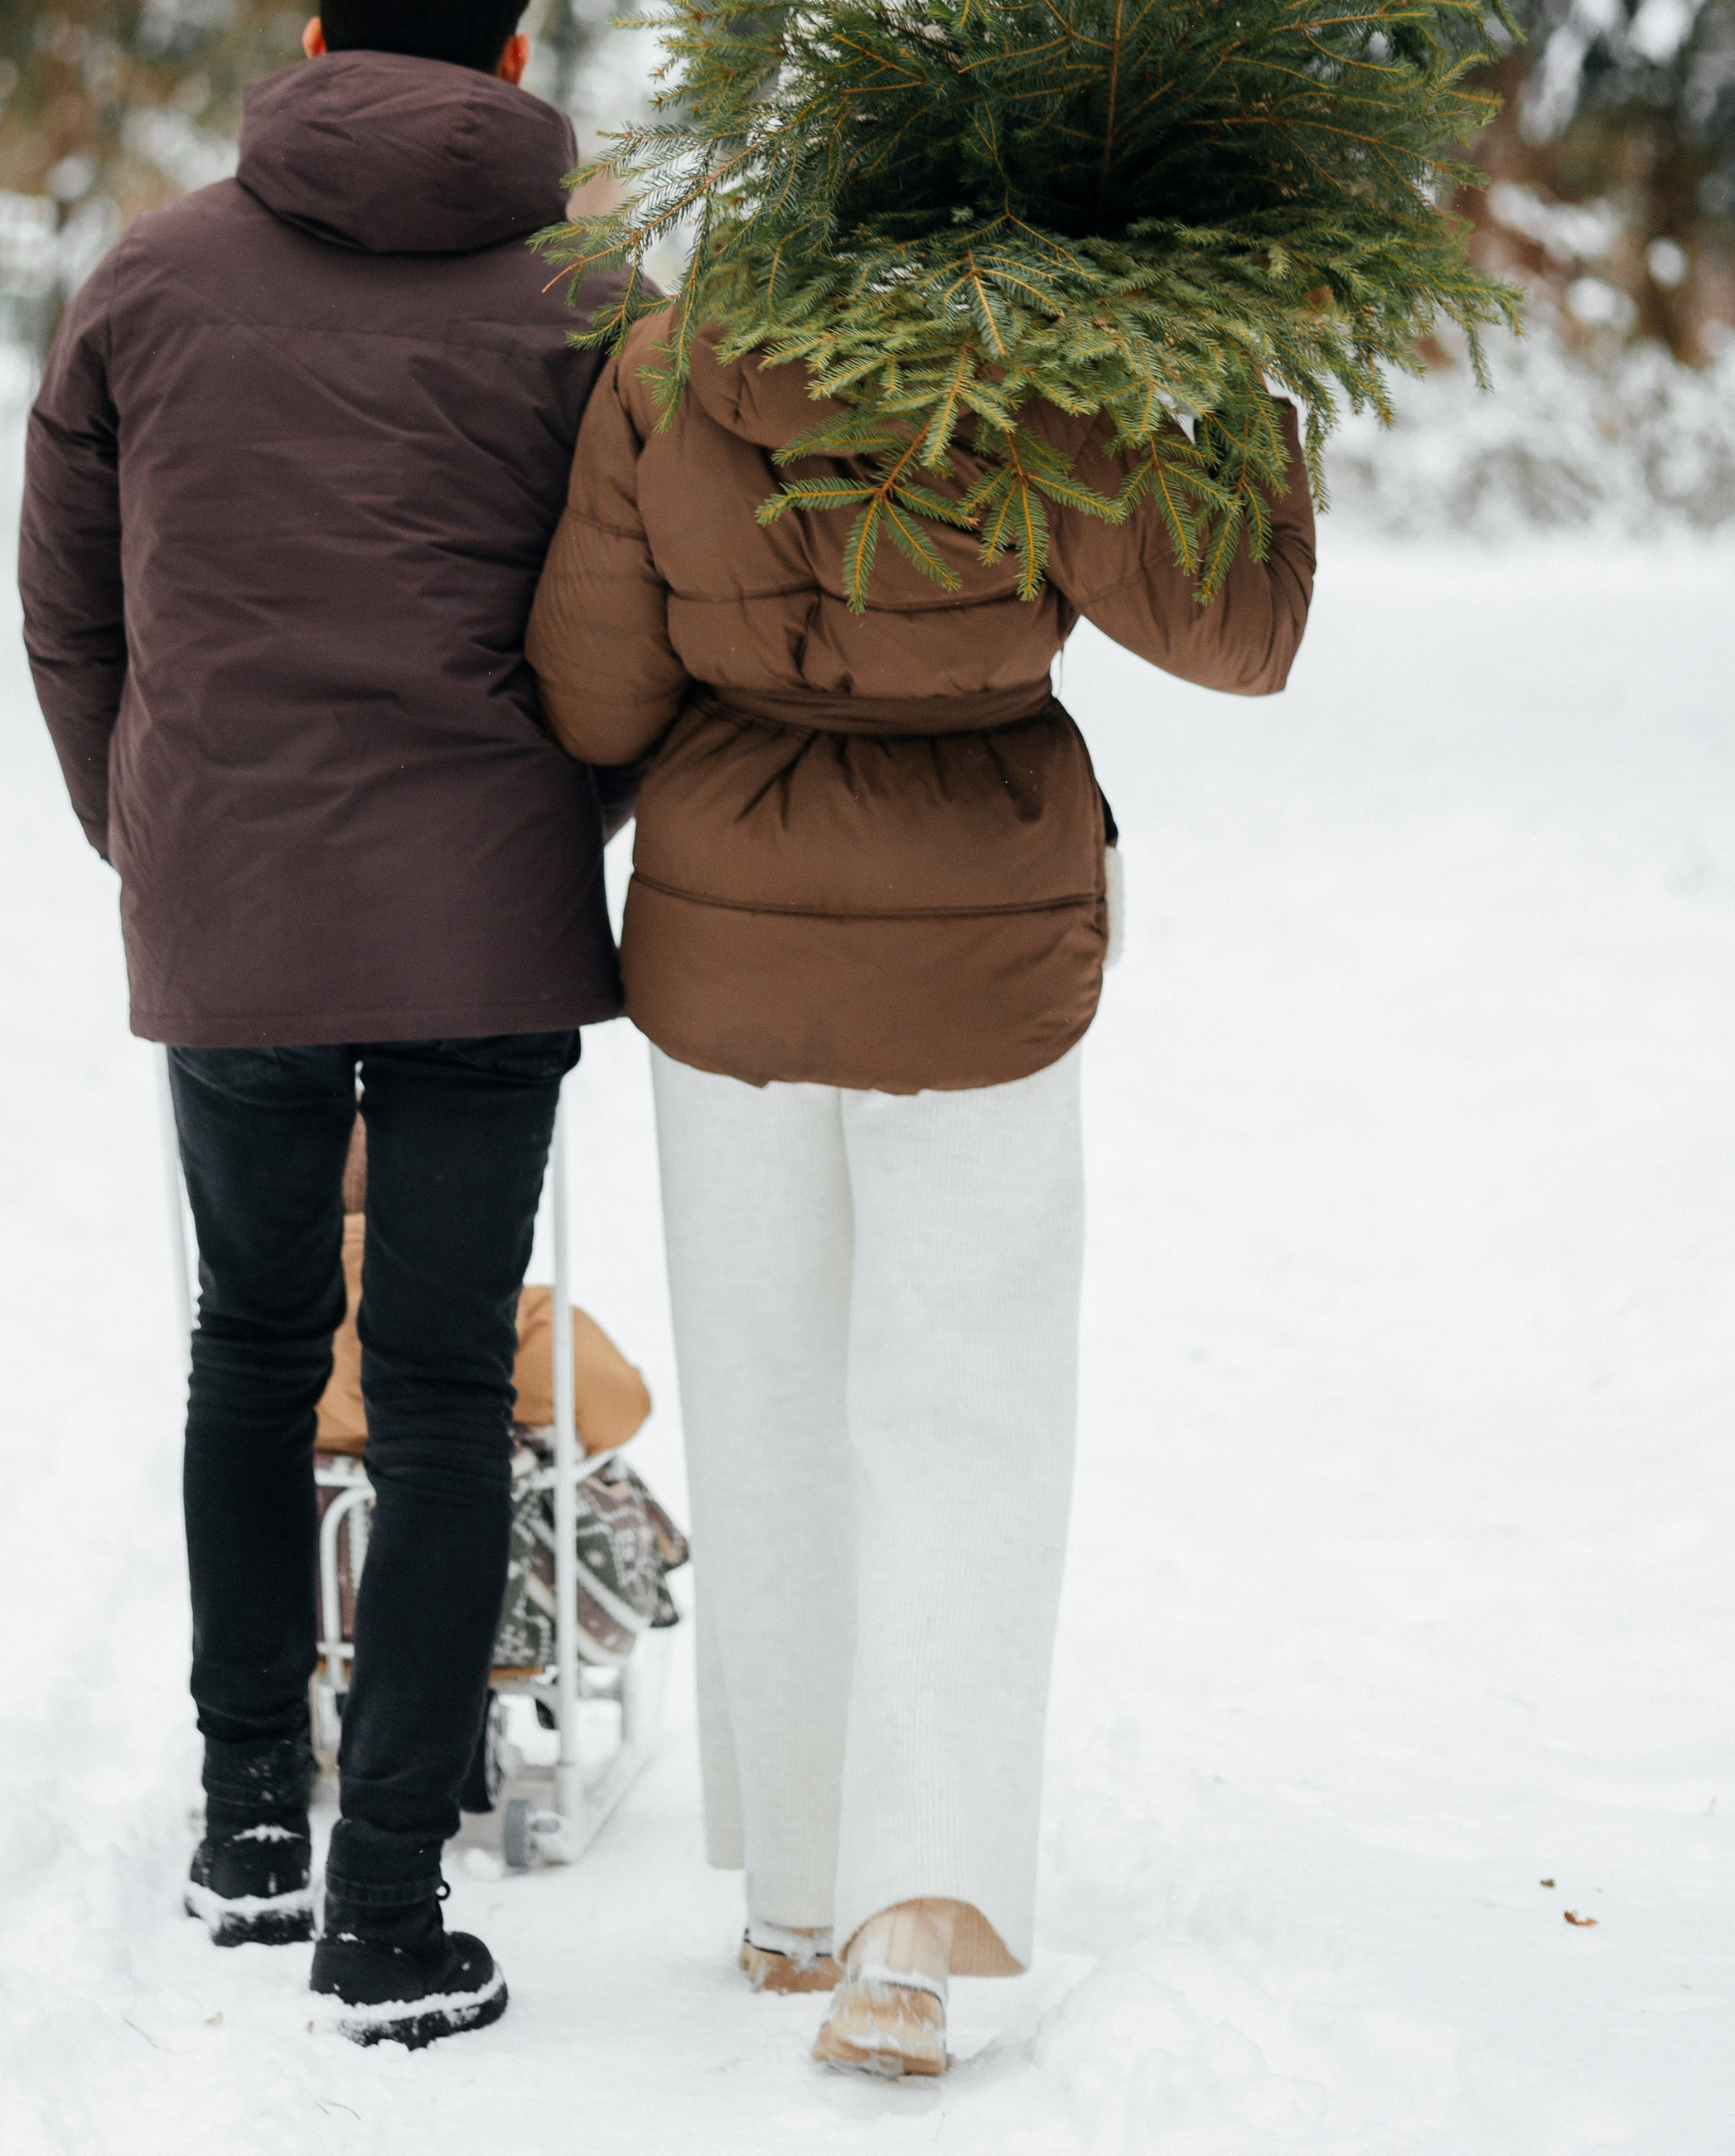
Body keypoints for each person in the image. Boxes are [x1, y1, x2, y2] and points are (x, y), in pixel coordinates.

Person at [525, 328, 1315, 2076]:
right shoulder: (1044, 353)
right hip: (983, 945)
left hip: (725, 937)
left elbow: (589, 698)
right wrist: (1245, 370)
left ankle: (795, 1894)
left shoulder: (669, 354)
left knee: (765, 1399)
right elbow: (1234, 632)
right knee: (964, 1420)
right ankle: (908, 1925)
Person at [18, 0, 631, 2048]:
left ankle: (251, 1821)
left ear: (307, 36)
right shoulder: (591, 297)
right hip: (487, 911)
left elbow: (72, 603)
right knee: (451, 1382)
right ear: (518, 68)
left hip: (236, 906)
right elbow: (634, 622)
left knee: (254, 1345)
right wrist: (567, 821)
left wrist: (153, 831)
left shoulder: (154, 276)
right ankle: (391, 1904)